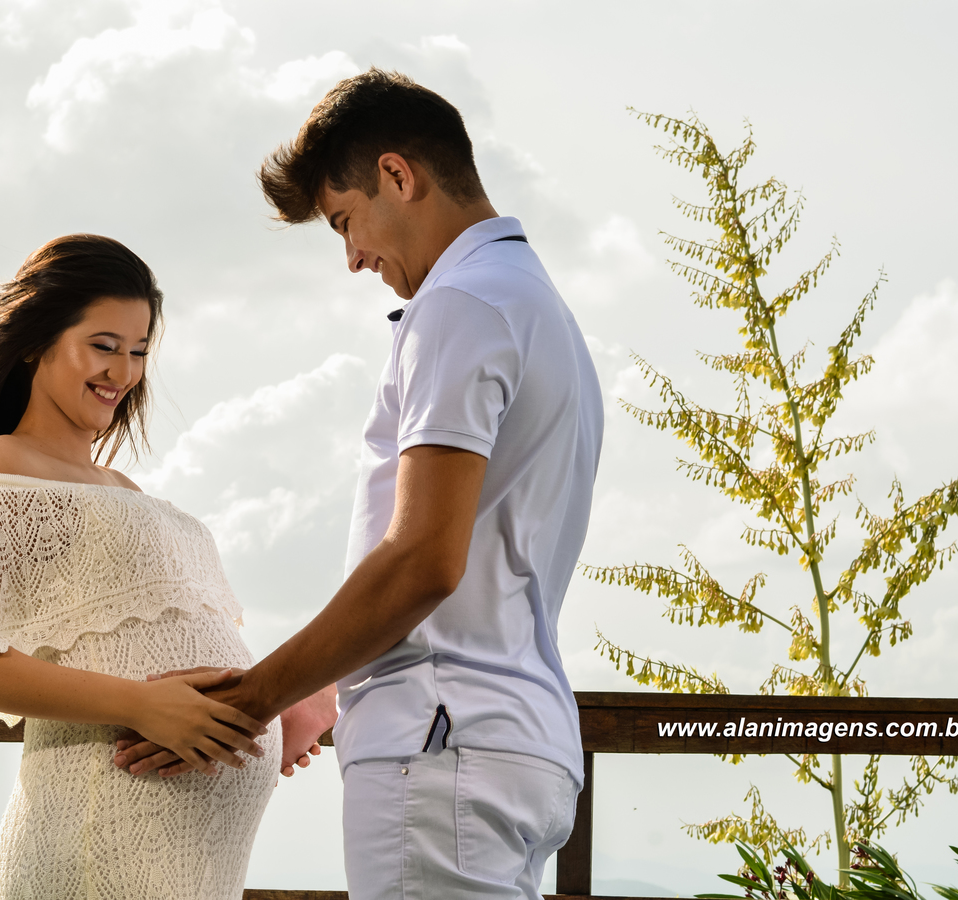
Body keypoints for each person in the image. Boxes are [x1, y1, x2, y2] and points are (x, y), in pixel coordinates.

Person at [116, 69, 605, 900]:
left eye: (345, 221)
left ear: (398, 176)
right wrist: (331, 693)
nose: (352, 259)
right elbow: (483, 573)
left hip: (439, 747)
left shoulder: (461, 306)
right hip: (513, 743)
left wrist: (255, 699)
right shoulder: (539, 308)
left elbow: (424, 561)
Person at [0, 234, 319, 900]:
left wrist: (269, 704)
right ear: (34, 341)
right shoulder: (3, 466)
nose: (123, 371)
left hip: (186, 858)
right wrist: (142, 704)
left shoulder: (122, 490)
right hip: (98, 832)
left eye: (139, 352)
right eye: (103, 346)